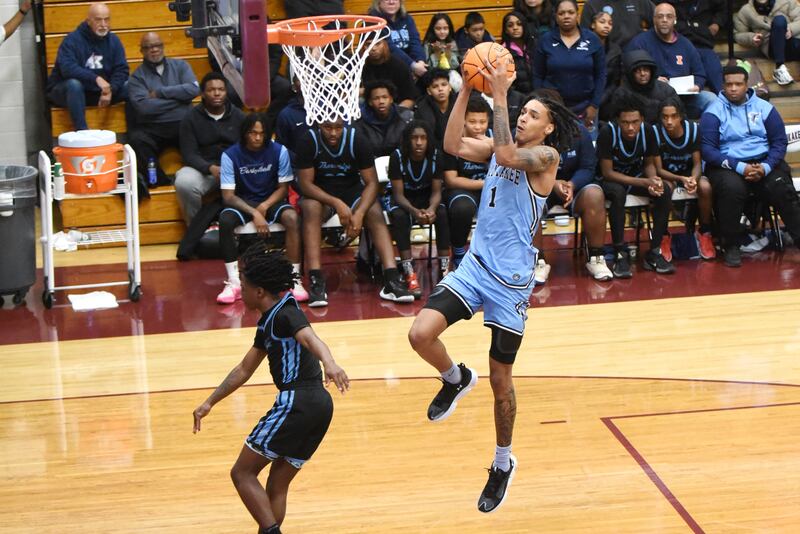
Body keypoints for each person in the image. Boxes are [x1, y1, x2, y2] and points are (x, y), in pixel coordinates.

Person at [408, 57, 579, 513]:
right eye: (522, 111)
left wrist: (499, 94)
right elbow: (449, 143)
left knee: (502, 381)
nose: (523, 117)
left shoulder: (545, 158)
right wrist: (466, 88)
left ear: (547, 131)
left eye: (532, 115)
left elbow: (507, 155)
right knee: (419, 334)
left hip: (512, 283)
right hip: (475, 266)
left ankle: (502, 462)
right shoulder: (496, 147)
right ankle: (456, 377)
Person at [192, 243, 349, 534]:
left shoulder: (286, 313)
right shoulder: (268, 322)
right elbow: (243, 369)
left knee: (242, 472)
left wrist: (331, 362)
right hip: (320, 406)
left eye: (244, 286)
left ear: (260, 292)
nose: (242, 291)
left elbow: (311, 338)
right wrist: (209, 402)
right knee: (276, 485)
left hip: (297, 401)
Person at [295, 119, 414, 306]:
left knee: (374, 210)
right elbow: (305, 185)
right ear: (319, 126)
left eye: (337, 128)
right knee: (310, 208)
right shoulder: (308, 141)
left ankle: (391, 279)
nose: (333, 133)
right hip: (321, 193)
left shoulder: (357, 140)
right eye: (327, 128)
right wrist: (336, 203)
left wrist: (358, 214)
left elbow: (372, 183)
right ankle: (316, 281)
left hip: (351, 190)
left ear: (344, 125)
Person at [700, 64, 800, 266]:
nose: (733, 89)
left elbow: (779, 142)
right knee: (731, 189)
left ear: (747, 85)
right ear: (723, 86)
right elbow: (709, 150)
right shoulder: (713, 112)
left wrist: (766, 167)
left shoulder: (764, 108)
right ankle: (731, 245)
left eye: (738, 84)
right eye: (729, 84)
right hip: (728, 164)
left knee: (781, 186)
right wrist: (740, 167)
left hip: (763, 161)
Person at [215, 113, 306, 304]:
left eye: (262, 133)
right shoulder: (230, 155)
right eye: (253, 133)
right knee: (225, 221)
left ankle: (293, 280)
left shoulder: (279, 151)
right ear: (244, 133)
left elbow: (283, 189)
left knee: (292, 218)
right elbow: (228, 196)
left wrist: (264, 206)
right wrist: (255, 212)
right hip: (244, 201)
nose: (257, 138)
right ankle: (234, 282)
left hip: (270, 200)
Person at [531, 89, 613, 283]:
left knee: (594, 193)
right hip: (541, 189)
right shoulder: (531, 134)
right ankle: (537, 262)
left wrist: (572, 184)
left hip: (572, 188)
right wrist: (552, 184)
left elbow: (588, 166)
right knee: (529, 200)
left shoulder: (578, 131)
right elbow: (528, 170)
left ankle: (596, 257)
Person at [597, 91, 676, 277]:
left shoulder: (647, 130)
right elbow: (608, 173)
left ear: (642, 119)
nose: (631, 127)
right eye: (625, 123)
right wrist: (644, 181)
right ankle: (619, 252)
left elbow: (649, 163)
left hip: (635, 176)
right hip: (608, 180)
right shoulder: (607, 132)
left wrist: (653, 181)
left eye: (635, 122)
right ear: (618, 120)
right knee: (618, 194)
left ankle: (654, 251)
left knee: (663, 190)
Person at [127, 32, 199, 189]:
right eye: (148, 47)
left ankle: (201, 176)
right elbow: (144, 107)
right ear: (142, 51)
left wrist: (160, 93)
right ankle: (160, 182)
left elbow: (193, 90)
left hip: (183, 123)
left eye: (157, 46)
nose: (154, 50)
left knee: (203, 133)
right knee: (138, 140)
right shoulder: (136, 78)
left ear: (163, 46)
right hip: (153, 128)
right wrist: (180, 99)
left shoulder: (181, 66)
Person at [387, 120, 451, 294]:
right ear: (408, 140)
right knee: (399, 216)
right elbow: (398, 195)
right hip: (405, 200)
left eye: (423, 138)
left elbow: (437, 191)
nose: (419, 142)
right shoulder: (397, 157)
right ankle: (409, 272)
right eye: (414, 138)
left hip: (427, 198)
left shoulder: (436, 156)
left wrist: (431, 208)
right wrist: (415, 212)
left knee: (443, 212)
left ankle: (444, 271)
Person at [175, 72, 245, 226]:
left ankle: (242, 230)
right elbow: (189, 153)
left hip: (235, 170)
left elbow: (246, 148)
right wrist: (210, 168)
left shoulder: (239, 117)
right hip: (204, 170)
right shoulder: (190, 118)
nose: (217, 93)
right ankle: (196, 230)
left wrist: (231, 168)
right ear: (203, 94)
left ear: (226, 92)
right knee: (184, 182)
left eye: (221, 89)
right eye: (211, 90)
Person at [46, 2, 129, 131]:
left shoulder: (114, 41)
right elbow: (67, 68)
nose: (103, 24)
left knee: (130, 86)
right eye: (98, 20)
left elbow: (122, 69)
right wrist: (96, 79)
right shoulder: (72, 40)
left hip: (100, 93)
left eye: (106, 20)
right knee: (74, 85)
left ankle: (135, 134)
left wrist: (111, 89)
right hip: (71, 93)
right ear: (88, 21)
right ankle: (82, 133)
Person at [625, 3, 716, 118]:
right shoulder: (640, 43)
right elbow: (629, 73)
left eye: (669, 16)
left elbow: (700, 73)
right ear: (654, 20)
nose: (664, 20)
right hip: (651, 98)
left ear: (675, 20)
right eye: (660, 16)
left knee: (711, 99)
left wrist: (697, 85)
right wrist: (652, 81)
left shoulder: (685, 44)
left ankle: (702, 133)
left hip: (683, 98)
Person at [534, 0, 606, 135]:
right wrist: (542, 103)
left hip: (586, 108)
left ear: (577, 15)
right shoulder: (545, 40)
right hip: (553, 109)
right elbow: (538, 75)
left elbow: (601, 74)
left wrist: (594, 105)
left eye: (570, 12)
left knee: (587, 151)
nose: (566, 16)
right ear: (556, 16)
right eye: (561, 13)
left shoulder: (592, 40)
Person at [650, 96, 704, 260]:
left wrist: (693, 178)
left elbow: (697, 164)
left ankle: (705, 232)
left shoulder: (693, 129)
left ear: (681, 116)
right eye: (665, 117)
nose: (669, 121)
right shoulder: (655, 132)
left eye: (673, 116)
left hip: (689, 173)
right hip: (668, 175)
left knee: (706, 187)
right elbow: (658, 169)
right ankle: (663, 235)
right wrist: (681, 179)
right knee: (664, 190)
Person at [443, 97, 492, 271]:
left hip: (490, 189)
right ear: (463, 121)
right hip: (462, 190)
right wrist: (484, 183)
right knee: (462, 207)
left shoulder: (493, 139)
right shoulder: (452, 140)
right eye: (472, 121)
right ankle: (458, 252)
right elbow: (451, 180)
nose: (478, 127)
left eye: (482, 122)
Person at [733, 0, 800, 86]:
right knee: (779, 20)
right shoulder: (746, 11)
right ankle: (779, 68)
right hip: (771, 46)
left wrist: (790, 29)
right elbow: (738, 34)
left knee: (780, 21)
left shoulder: (787, 2)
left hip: (791, 41)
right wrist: (752, 37)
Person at [601, 49, 678, 123]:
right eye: (638, 71)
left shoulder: (666, 90)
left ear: (651, 71)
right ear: (631, 74)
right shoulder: (622, 94)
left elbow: (678, 115)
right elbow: (616, 120)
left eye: (646, 70)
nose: (642, 74)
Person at [667, 0, 726, 93]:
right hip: (677, 44)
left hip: (702, 42)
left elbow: (723, 8)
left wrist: (717, 23)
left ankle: (724, 102)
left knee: (714, 71)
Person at [369, 0, 428, 79]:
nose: (391, 2)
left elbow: (415, 41)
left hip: (412, 68)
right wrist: (412, 65)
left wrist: (420, 61)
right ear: (378, 2)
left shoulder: (407, 19)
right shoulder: (373, 21)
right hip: (385, 70)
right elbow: (389, 47)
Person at [355, 79, 414, 157]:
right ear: (370, 102)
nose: (381, 101)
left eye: (385, 97)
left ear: (391, 99)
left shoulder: (406, 117)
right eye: (376, 98)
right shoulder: (360, 121)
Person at [362, 33, 419, 108]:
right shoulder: (359, 66)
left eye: (377, 43)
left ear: (385, 44)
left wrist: (395, 114)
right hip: (369, 109)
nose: (373, 48)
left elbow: (410, 99)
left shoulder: (399, 66)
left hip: (398, 108)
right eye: (368, 44)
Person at [580, 0, 654, 48]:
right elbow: (584, 36)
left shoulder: (640, 2)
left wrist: (646, 42)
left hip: (635, 54)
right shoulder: (592, 4)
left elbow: (658, 21)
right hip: (606, 55)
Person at [422, 13, 463, 91]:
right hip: (434, 75)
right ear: (433, 29)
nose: (442, 32)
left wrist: (448, 54)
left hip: (450, 73)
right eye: (438, 28)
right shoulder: (428, 44)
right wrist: (436, 54)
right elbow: (428, 67)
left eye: (445, 28)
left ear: (449, 29)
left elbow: (455, 66)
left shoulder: (452, 42)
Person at [413, 69, 456, 144]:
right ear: (429, 91)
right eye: (435, 86)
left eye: (444, 84)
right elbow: (428, 138)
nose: (440, 89)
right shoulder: (422, 109)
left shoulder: (459, 103)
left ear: (450, 87)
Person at [590, 10, 623, 103]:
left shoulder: (615, 50)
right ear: (593, 25)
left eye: (610, 23)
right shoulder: (583, 46)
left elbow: (615, 82)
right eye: (602, 22)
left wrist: (601, 99)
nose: (606, 26)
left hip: (606, 97)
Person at [501, 11, 536, 95]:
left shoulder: (534, 45)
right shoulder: (503, 51)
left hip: (538, 94)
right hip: (518, 98)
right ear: (506, 30)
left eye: (519, 24)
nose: (515, 28)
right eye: (510, 25)